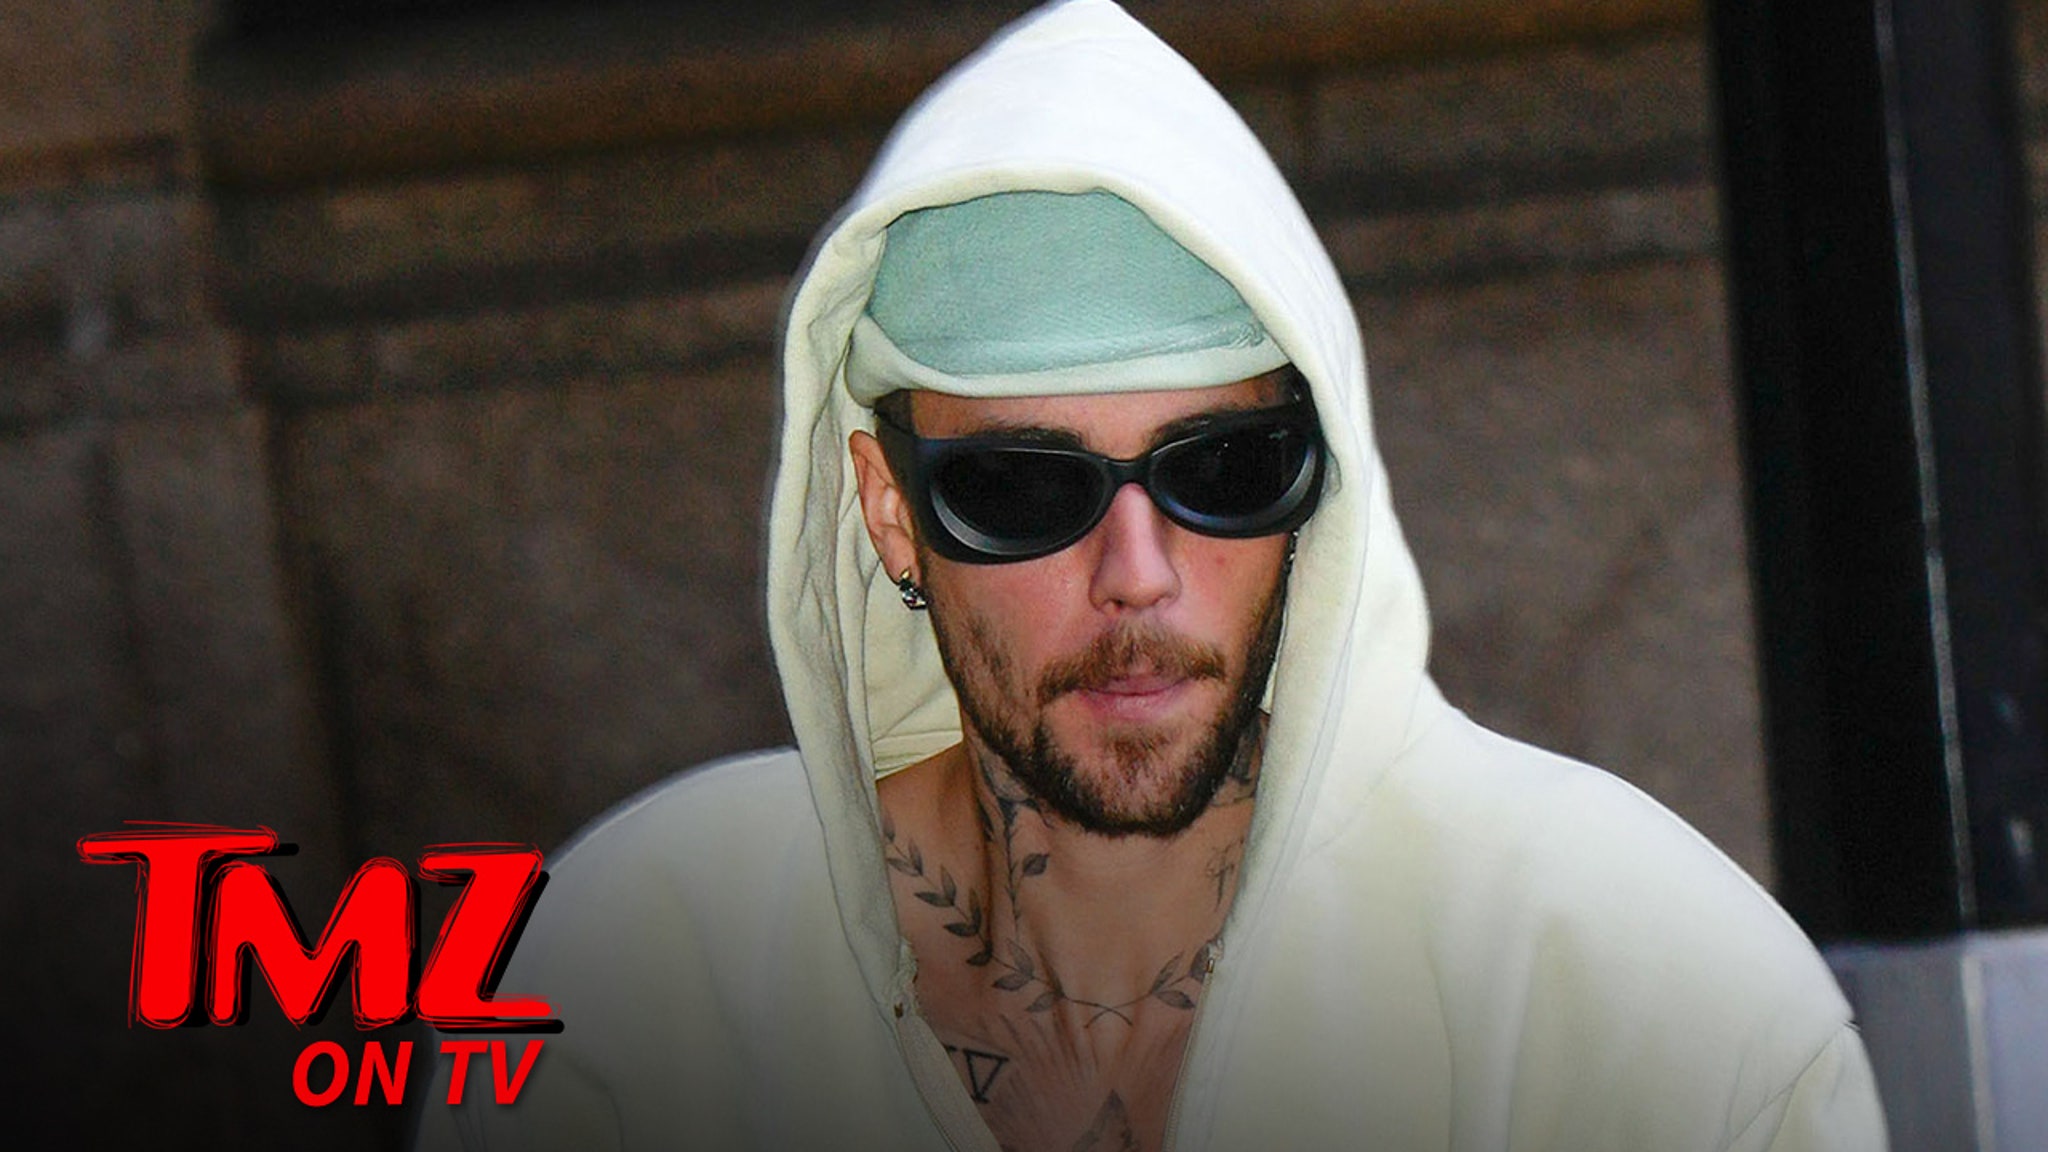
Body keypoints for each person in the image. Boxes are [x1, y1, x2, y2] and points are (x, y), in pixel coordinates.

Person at [417, 1, 1888, 1149]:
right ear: (887, 511)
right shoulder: (628, 984)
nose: (1139, 574)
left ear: (1319, 481)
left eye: (1223, 470)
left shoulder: (1655, 1002)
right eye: (1023, 488)